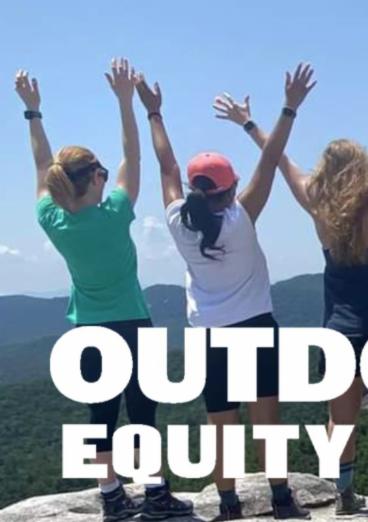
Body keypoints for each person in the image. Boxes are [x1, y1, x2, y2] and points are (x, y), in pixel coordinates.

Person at [209, 59, 368, 517]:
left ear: (326, 173)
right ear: (361, 168)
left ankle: (345, 493)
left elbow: (280, 160)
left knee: (340, 417)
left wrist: (253, 122)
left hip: (338, 329)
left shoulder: (317, 202)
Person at [16, 59, 194, 522]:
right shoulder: (115, 213)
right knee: (142, 414)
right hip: (133, 323)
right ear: (95, 178)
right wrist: (125, 102)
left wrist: (33, 112)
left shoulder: (53, 221)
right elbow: (133, 157)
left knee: (101, 415)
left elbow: (41, 164)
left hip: (89, 330)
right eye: (101, 171)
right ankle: (155, 493)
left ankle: (111, 496)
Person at [137, 63, 315, 520]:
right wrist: (288, 108)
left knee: (222, 424)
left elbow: (167, 165)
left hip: (209, 334)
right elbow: (270, 159)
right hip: (255, 325)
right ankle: (281, 499)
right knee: (266, 419)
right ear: (232, 188)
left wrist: (154, 113)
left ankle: (230, 504)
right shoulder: (242, 217)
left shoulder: (178, 221)